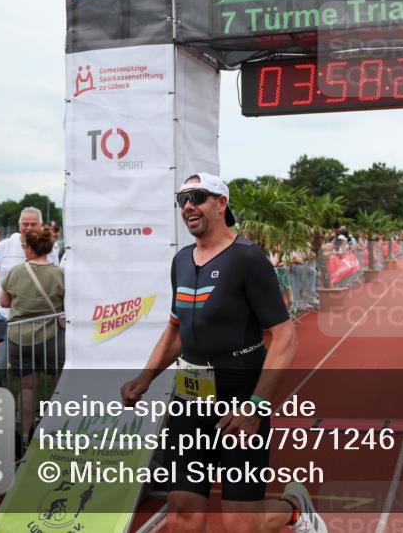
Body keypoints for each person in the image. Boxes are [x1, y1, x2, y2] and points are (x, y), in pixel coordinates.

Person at [121, 172, 326, 533]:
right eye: (182, 199)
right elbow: (176, 330)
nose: (188, 206)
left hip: (240, 402)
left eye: (197, 197)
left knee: (241, 523)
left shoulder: (247, 258)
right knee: (181, 514)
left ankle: (294, 509)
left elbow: (284, 337)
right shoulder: (181, 261)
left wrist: (255, 407)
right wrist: (145, 377)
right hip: (190, 402)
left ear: (220, 203)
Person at [0, 225, 64, 444]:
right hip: (52, 336)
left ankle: (27, 436)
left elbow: (4, 302)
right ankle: (59, 431)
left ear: (29, 248)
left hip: (19, 337)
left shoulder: (15, 272)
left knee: (27, 388)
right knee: (60, 386)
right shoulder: (59, 273)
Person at [0, 208, 58, 384]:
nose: (29, 227)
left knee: (46, 369)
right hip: (6, 318)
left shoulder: (51, 248)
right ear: (19, 225)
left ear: (41, 225)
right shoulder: (4, 246)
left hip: (41, 321)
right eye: (25, 224)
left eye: (33, 224)